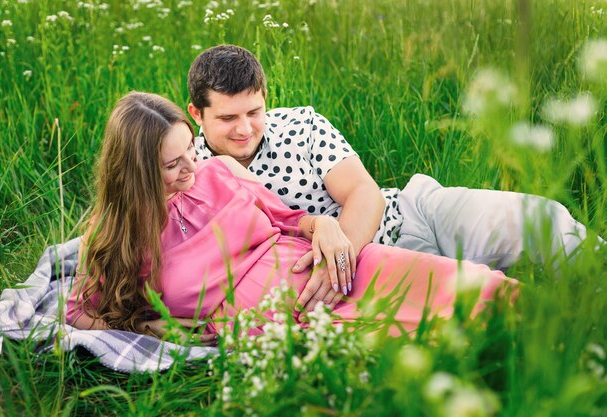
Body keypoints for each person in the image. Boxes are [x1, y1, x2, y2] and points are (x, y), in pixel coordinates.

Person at [67, 91, 515, 341]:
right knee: (435, 344)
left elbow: (290, 218)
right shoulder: (115, 235)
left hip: (333, 271)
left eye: (190, 149)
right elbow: (80, 313)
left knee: (480, 290)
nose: (191, 166)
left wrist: (324, 226)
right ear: (137, 170)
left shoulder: (217, 170)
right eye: (172, 164)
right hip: (277, 322)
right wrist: (148, 325)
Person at [186, 44, 601, 313]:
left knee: (539, 217)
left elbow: (363, 193)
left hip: (411, 214)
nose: (245, 128)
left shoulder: (300, 124)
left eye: (254, 112)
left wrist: (337, 264)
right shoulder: (190, 175)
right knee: (484, 307)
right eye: (227, 118)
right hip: (374, 280)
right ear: (196, 114)